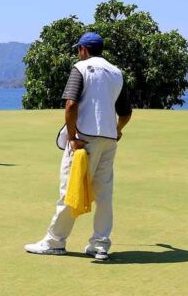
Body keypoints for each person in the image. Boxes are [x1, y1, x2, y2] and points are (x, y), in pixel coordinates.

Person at [25, 32, 132, 261]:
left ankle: (55, 241)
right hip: (109, 140)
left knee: (69, 189)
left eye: (78, 49)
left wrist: (72, 137)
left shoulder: (80, 68)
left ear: (83, 49)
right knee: (104, 194)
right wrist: (118, 129)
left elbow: (71, 104)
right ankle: (100, 245)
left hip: (84, 141)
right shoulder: (116, 72)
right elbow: (125, 112)